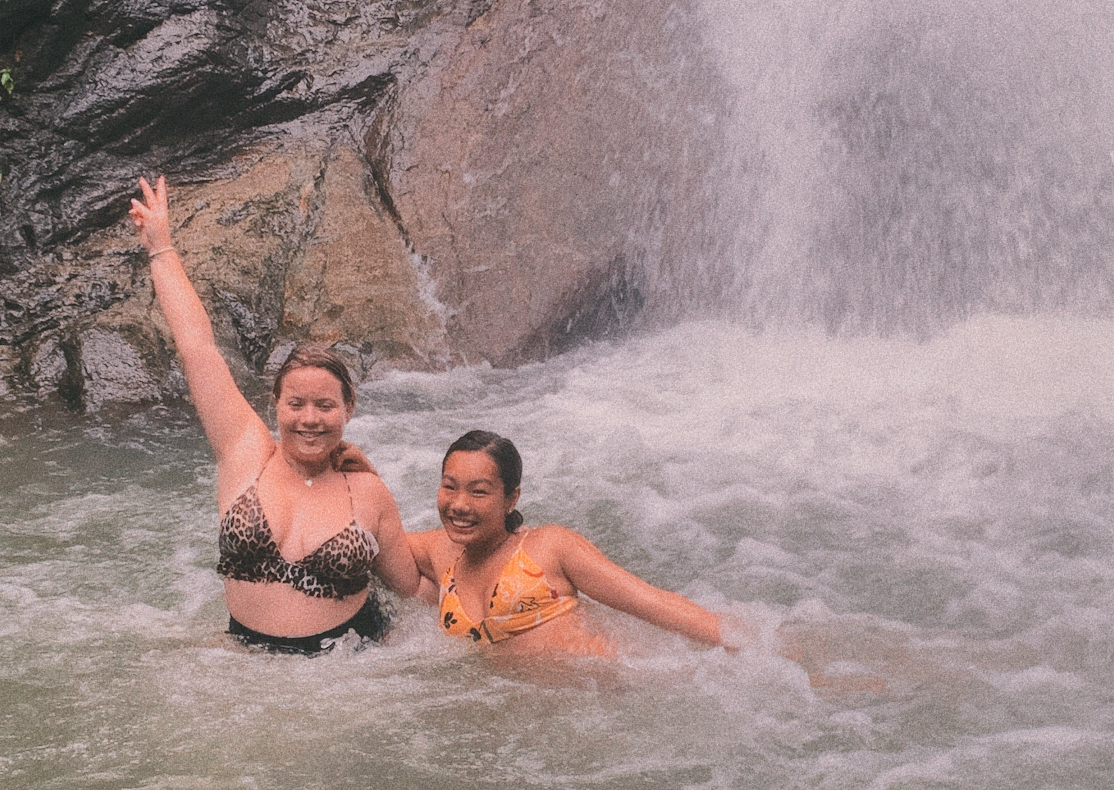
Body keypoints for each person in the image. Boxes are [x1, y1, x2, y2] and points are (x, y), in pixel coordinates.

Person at [129, 174, 421, 652]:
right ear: (275, 405)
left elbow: (412, 591)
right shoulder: (245, 450)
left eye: (325, 405)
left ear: (348, 408)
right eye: (296, 404)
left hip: (351, 666)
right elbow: (197, 348)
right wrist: (161, 249)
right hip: (247, 656)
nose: (310, 418)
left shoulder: (368, 491)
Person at [408, 430, 731, 658]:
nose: (459, 504)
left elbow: (651, 603)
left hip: (610, 693)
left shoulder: (549, 547)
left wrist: (745, 647)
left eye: (479, 492)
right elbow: (369, 533)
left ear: (511, 498)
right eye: (449, 487)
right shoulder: (441, 552)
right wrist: (360, 469)